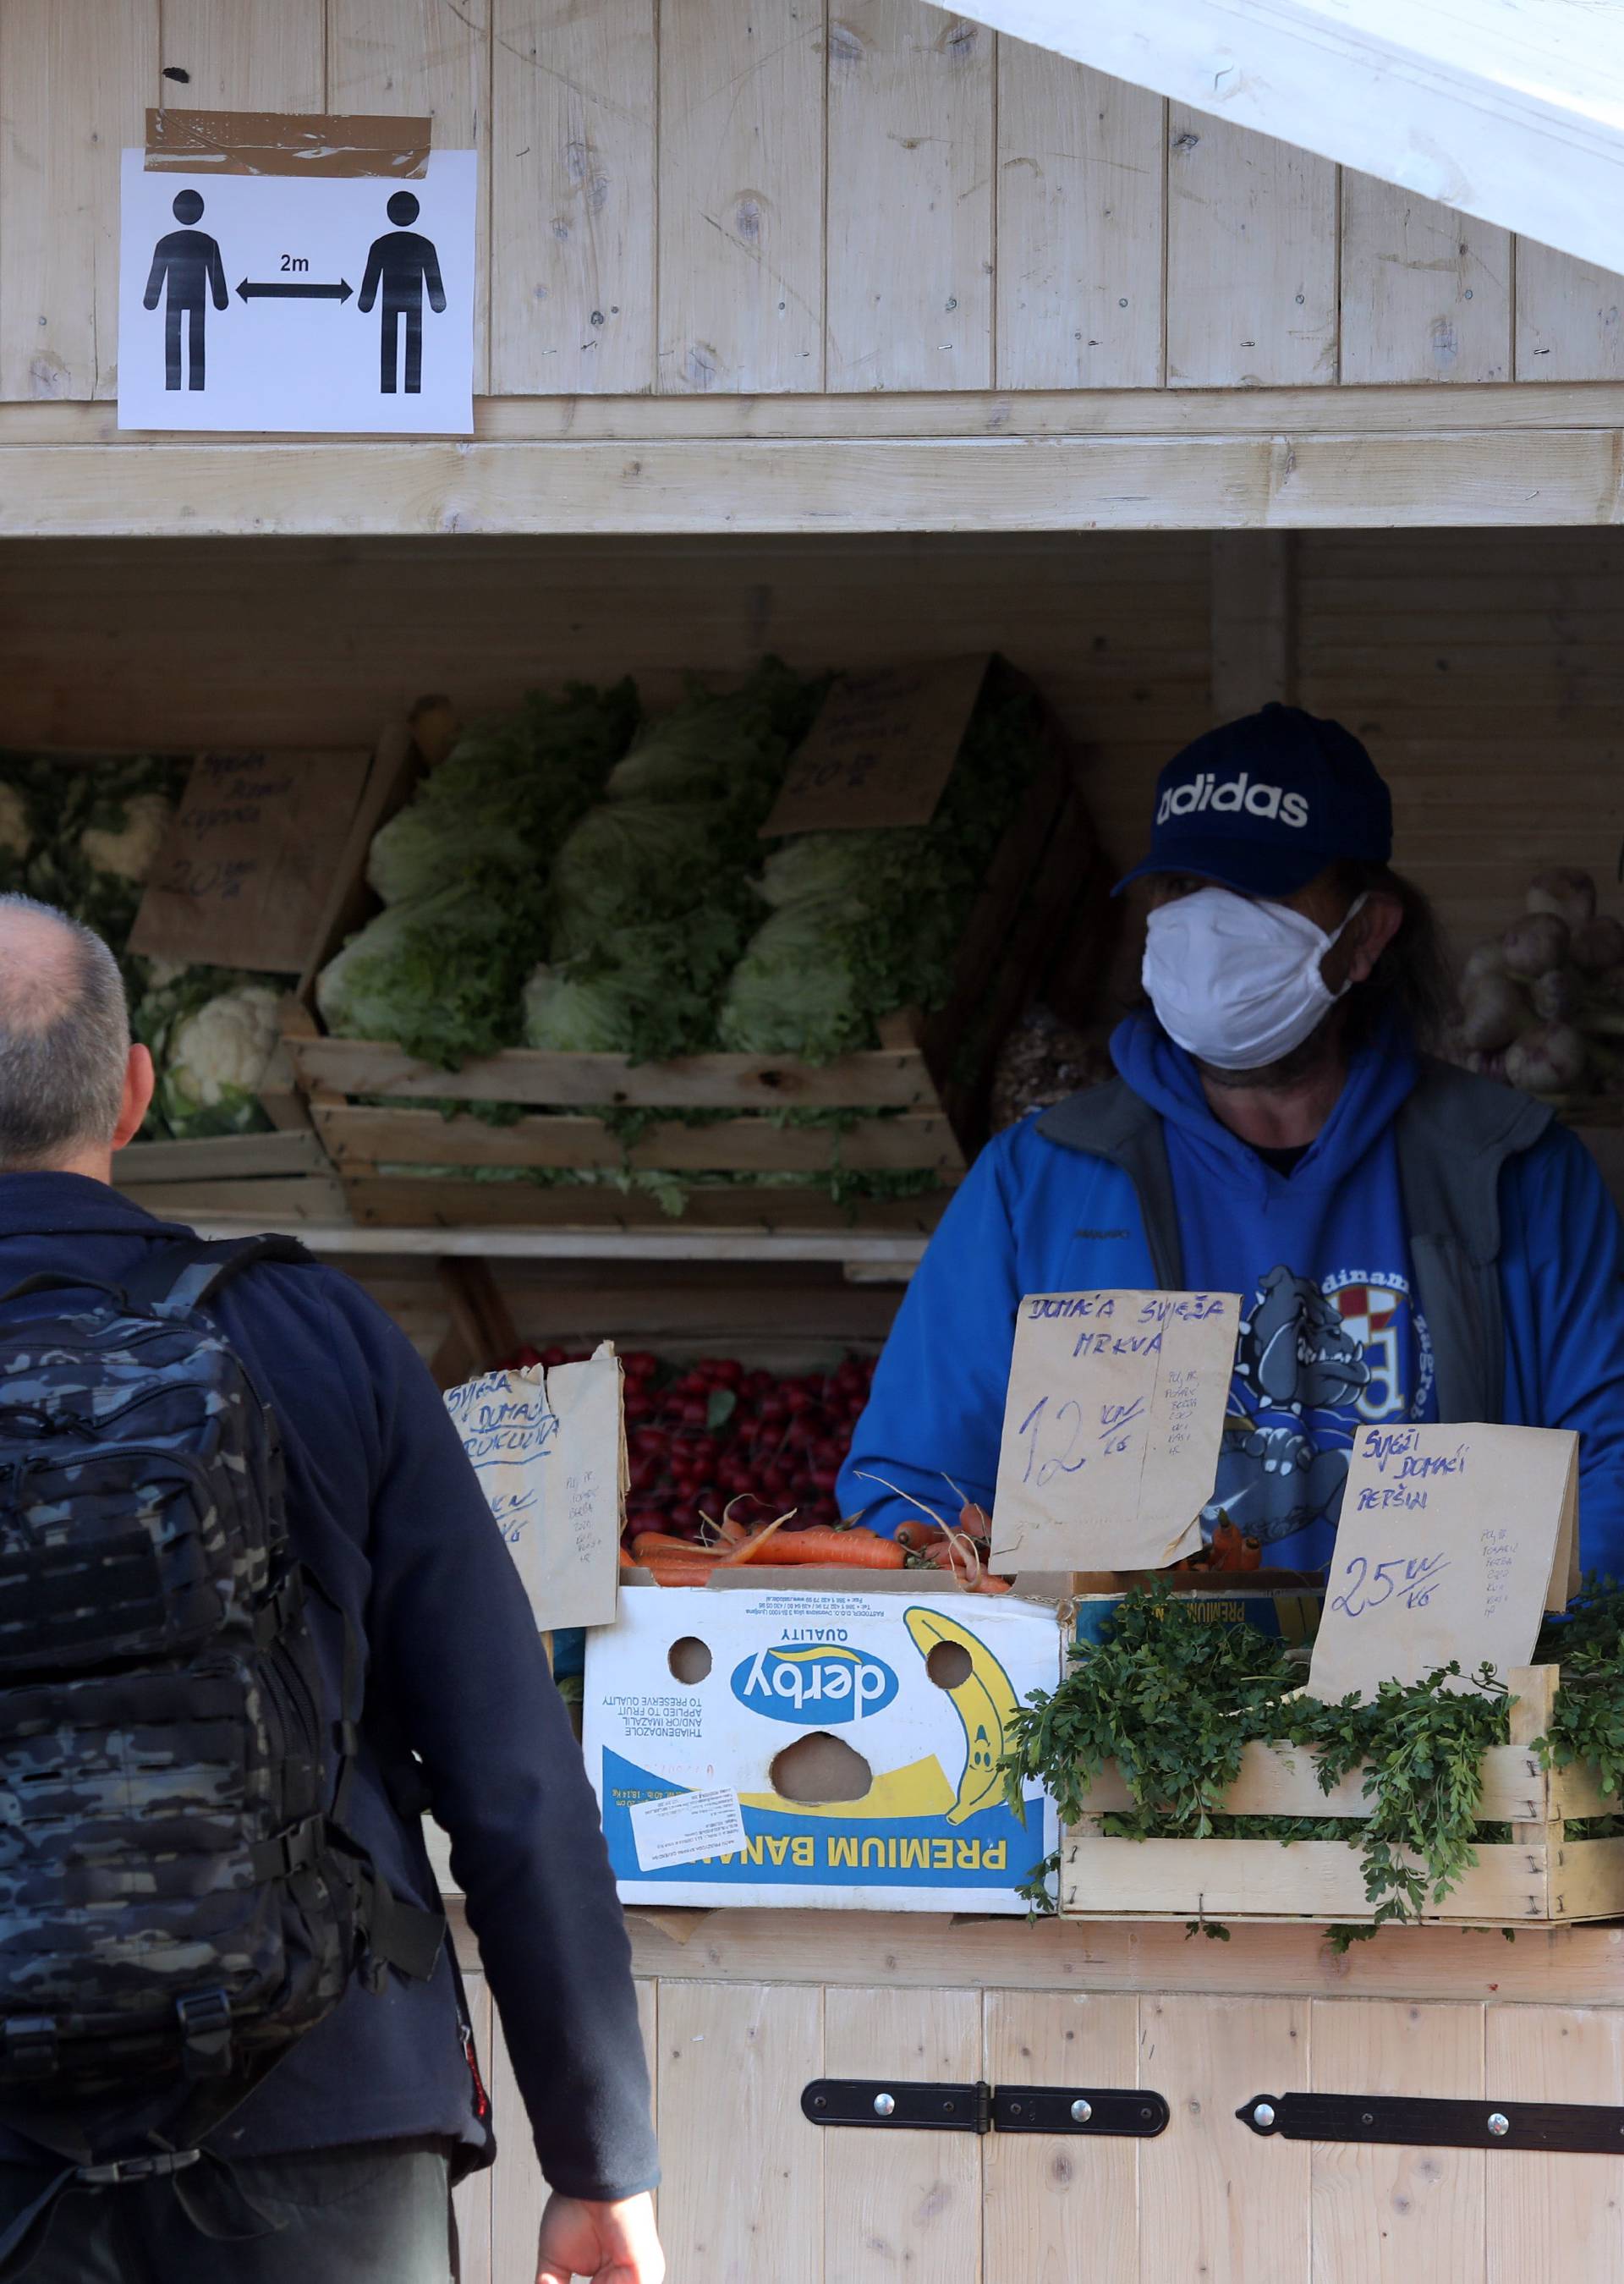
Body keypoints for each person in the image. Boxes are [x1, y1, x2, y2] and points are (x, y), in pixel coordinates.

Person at [0, 896, 663, 2284]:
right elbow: (512, 1776)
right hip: (318, 2113)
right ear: (135, 1094)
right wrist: (601, 2162)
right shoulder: (308, 1330)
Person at [839, 703, 1624, 1573]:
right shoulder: (1041, 1182)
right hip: (1126, 1704)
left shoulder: (1514, 1170)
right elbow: (909, 1492)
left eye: (1257, 889)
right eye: (1183, 889)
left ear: (1365, 934)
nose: (1208, 930)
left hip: (1444, 1699)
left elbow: (1611, 1464)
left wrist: (1490, 1668)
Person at [359, 193, 447, 395]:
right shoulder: (424, 245)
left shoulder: (381, 244)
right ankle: (410, 386)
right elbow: (434, 280)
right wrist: (437, 302)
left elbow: (371, 276)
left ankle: (390, 387)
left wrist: (366, 301)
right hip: (414, 302)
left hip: (390, 301)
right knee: (413, 341)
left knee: (389, 342)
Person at [143, 189, 228, 392]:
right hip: (197, 298)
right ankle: (195, 385)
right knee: (196, 339)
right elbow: (217, 276)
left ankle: (175, 384)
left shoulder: (165, 243)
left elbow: (157, 275)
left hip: (175, 299)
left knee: (174, 338)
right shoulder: (209, 242)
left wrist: (151, 299)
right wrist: (220, 299)